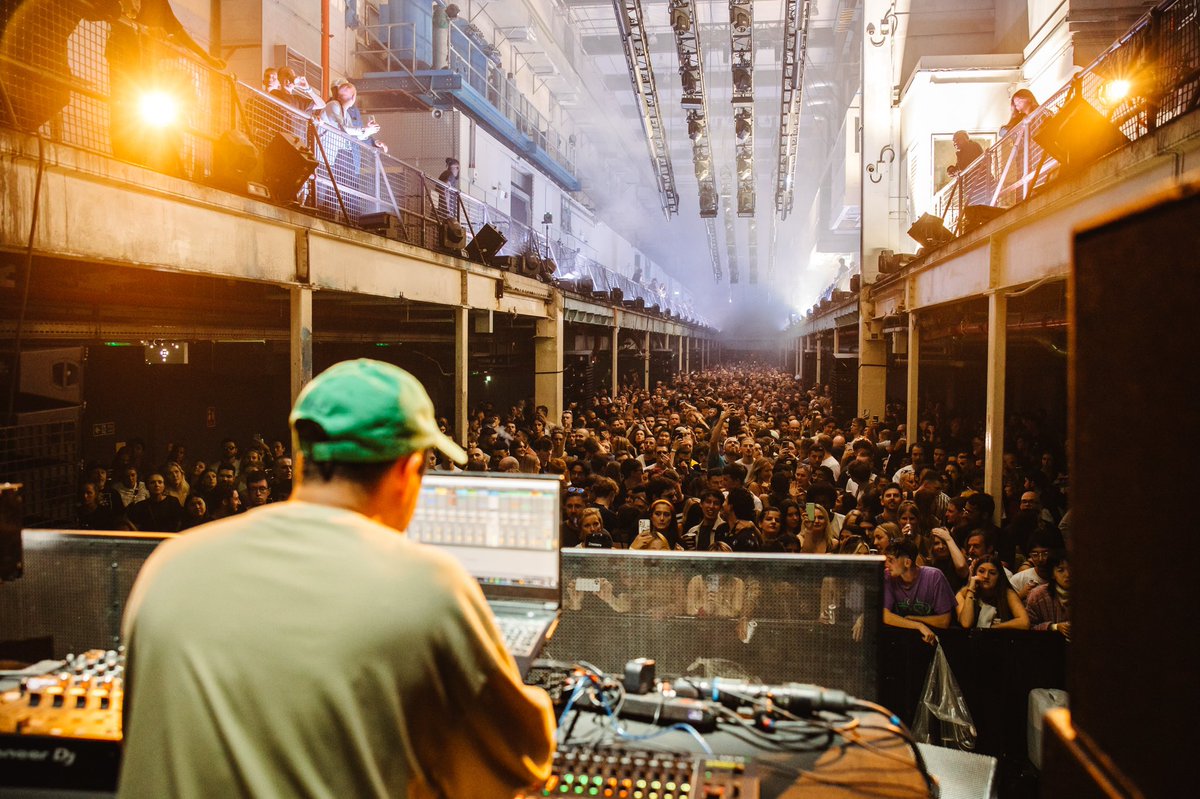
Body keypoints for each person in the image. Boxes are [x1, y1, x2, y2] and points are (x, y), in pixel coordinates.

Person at [117, 359, 554, 798]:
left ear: (300, 456)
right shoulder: (428, 585)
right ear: (408, 470)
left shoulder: (170, 565)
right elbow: (521, 758)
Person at [882, 537, 955, 645]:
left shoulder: (934, 576)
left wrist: (914, 618)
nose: (886, 565)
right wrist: (918, 625)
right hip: (899, 640)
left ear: (907, 563)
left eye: (890, 560)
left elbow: (945, 621)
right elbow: (885, 615)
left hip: (929, 640)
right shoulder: (888, 576)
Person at [955, 554, 1029, 629]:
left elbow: (1024, 623)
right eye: (981, 571)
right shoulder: (962, 594)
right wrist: (971, 590)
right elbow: (966, 623)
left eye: (992, 573)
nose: (986, 576)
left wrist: (994, 627)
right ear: (975, 573)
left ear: (999, 576)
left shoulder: (1007, 593)